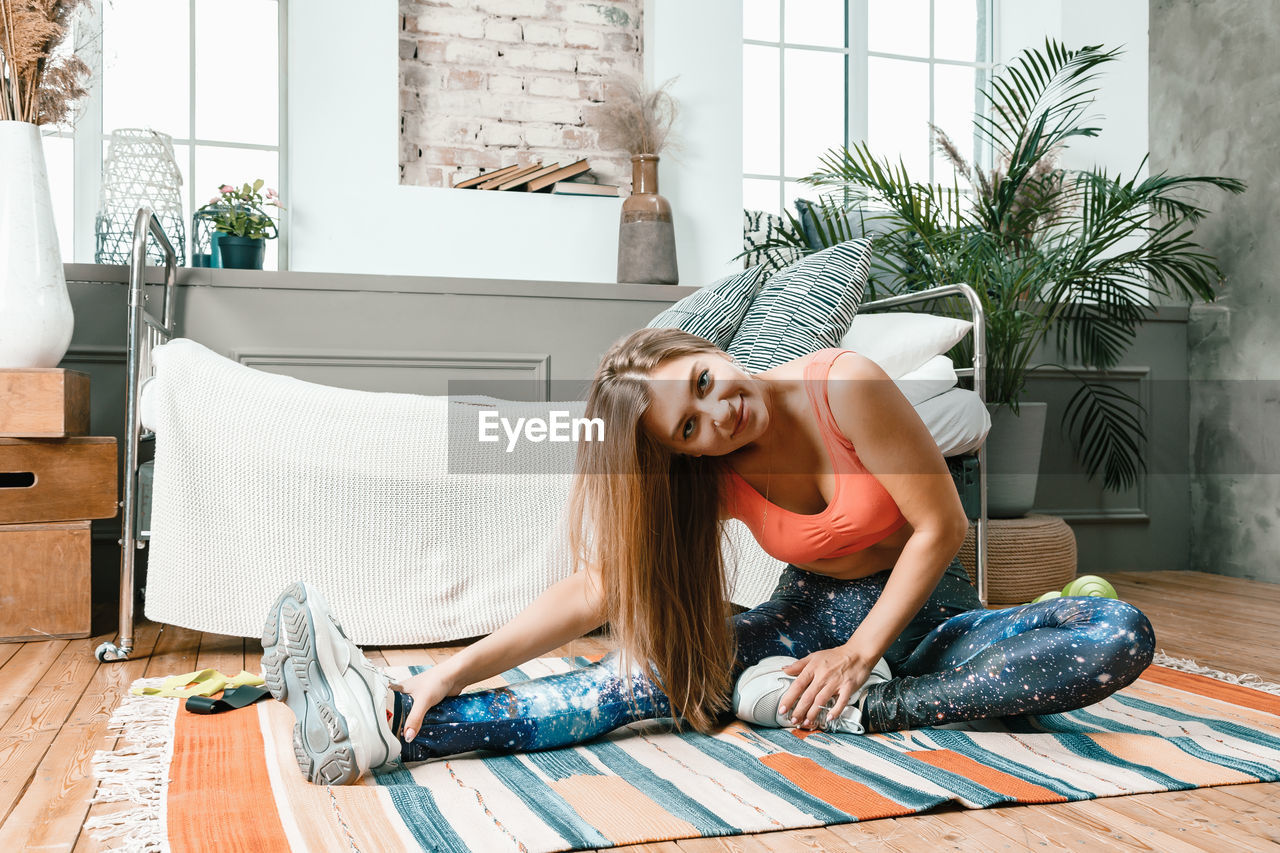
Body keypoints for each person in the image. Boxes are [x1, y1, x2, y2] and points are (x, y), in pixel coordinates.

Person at [261, 327, 1156, 786]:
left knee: (1116, 632)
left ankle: (863, 713)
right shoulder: (715, 471)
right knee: (649, 680)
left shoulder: (843, 386)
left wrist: (858, 662)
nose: (716, 412)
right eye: (688, 426)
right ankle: (387, 721)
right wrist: (454, 667)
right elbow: (597, 587)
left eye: (700, 381)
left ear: (706, 351)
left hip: (930, 625)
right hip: (807, 630)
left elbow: (941, 529)